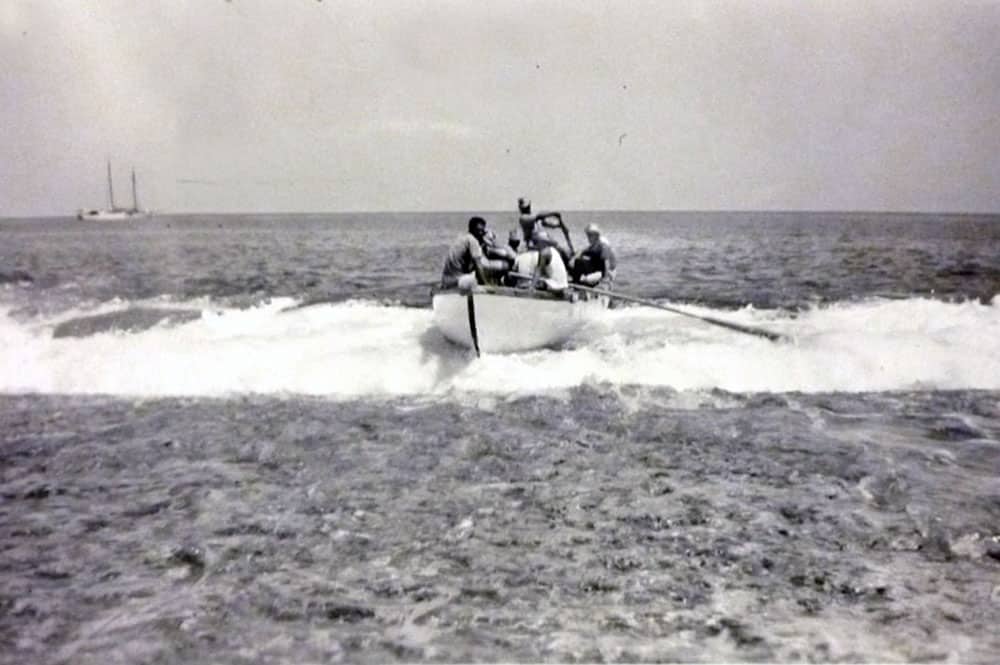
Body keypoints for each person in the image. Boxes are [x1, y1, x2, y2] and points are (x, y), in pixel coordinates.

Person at [440, 216, 509, 289]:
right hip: (457, 281)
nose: (481, 233)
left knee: (475, 269)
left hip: (446, 280)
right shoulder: (473, 241)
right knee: (504, 266)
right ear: (472, 229)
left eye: (482, 231)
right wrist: (487, 285)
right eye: (478, 230)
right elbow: (478, 265)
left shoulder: (463, 237)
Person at [570, 222, 617, 286]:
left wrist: (605, 278)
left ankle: (578, 285)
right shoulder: (594, 243)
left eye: (590, 235)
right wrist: (574, 258)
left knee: (581, 268)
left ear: (596, 235)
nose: (588, 237)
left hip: (606, 271)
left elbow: (607, 263)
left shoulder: (603, 244)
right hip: (598, 268)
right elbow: (584, 250)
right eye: (587, 235)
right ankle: (577, 283)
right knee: (578, 261)